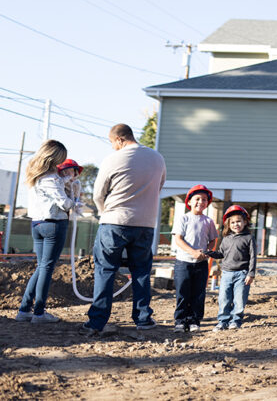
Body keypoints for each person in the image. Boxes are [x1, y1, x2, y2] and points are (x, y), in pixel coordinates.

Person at [83, 123, 166, 336]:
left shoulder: (113, 159)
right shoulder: (157, 158)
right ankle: (143, 318)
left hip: (114, 222)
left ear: (120, 139)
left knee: (106, 270)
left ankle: (97, 322)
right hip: (145, 224)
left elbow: (98, 194)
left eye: (113, 143)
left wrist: (105, 212)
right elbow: (159, 186)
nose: (113, 147)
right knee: (141, 271)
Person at [15, 140, 74, 323]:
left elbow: (49, 192)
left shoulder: (35, 175)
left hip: (37, 224)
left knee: (41, 267)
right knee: (47, 268)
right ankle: (39, 313)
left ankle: (24, 310)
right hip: (54, 225)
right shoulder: (52, 178)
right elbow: (63, 202)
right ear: (54, 157)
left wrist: (66, 180)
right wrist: (76, 202)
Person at [172, 184, 219, 332]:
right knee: (182, 292)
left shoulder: (208, 221)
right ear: (190, 201)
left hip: (201, 264)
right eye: (197, 198)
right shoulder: (183, 219)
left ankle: (194, 320)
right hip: (183, 262)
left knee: (198, 293)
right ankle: (180, 320)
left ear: (207, 203)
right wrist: (192, 252)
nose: (201, 202)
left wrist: (207, 251)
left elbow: (213, 240)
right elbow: (178, 239)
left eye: (204, 199)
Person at [215, 205, 257, 331]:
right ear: (228, 224)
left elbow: (253, 257)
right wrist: (209, 253)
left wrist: (251, 274)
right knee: (224, 298)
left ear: (245, 222)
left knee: (239, 299)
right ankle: (223, 321)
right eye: (232, 222)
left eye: (239, 221)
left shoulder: (249, 238)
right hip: (226, 274)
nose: (236, 224)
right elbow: (221, 254)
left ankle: (236, 320)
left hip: (242, 274)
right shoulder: (226, 239)